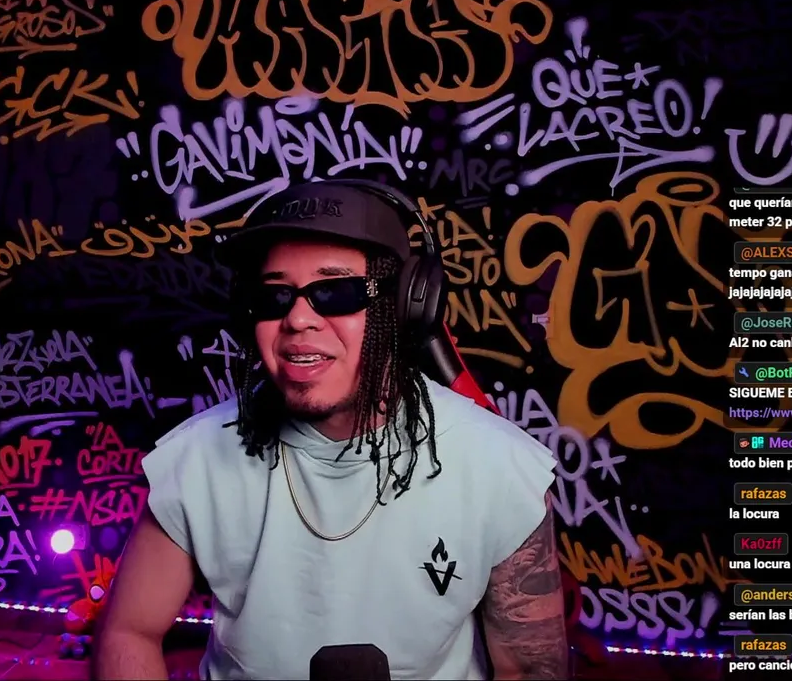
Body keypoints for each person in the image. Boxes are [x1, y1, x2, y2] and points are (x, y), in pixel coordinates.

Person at [92, 181, 565, 680]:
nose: (298, 318)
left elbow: (529, 669)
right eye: (275, 296)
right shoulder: (195, 460)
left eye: (335, 292)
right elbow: (130, 631)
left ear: (404, 305)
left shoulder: (498, 467)